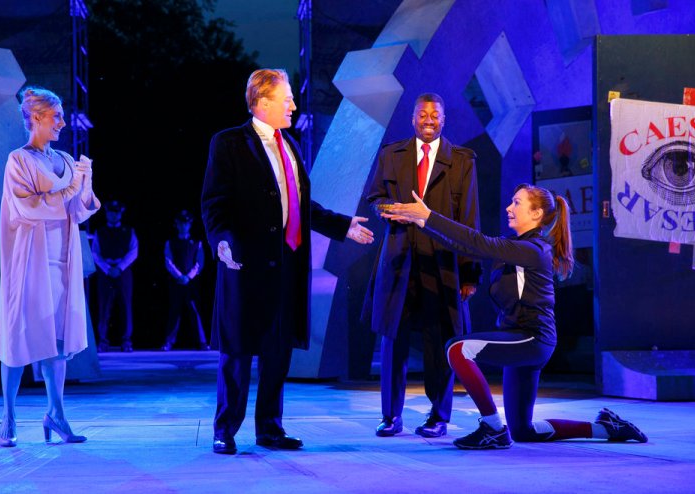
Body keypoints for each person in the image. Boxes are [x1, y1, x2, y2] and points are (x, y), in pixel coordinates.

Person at [382, 184, 647, 449]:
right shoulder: (518, 246)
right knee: (523, 430)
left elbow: (477, 242)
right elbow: (466, 246)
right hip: (522, 339)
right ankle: (606, 428)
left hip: (531, 339)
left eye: (517, 203)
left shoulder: (534, 249)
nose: (509, 207)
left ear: (536, 213)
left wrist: (429, 216)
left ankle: (493, 429)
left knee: (457, 349)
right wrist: (422, 221)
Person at [201, 68, 375, 455]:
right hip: (244, 265)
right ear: (263, 103)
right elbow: (214, 203)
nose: (294, 105)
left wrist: (341, 225)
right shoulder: (229, 143)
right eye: (287, 99)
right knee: (238, 350)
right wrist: (223, 242)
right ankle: (225, 429)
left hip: (286, 265)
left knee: (278, 351)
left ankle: (270, 429)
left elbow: (299, 206)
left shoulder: (291, 145)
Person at [364, 93, 482, 439]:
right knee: (392, 339)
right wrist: (393, 210)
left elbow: (470, 218)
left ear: (444, 119)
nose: (428, 119)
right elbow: (375, 198)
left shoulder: (462, 161)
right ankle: (391, 416)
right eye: (422, 114)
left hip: (442, 262)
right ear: (412, 118)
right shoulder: (391, 154)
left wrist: (470, 273)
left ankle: (438, 415)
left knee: (439, 339)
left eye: (435, 114)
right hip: (399, 259)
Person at [0, 87, 100, 447]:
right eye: (56, 115)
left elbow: (78, 210)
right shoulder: (18, 160)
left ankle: (56, 414)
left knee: (58, 342)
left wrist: (84, 186)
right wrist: (70, 188)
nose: (63, 121)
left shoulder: (66, 159)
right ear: (36, 117)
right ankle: (8, 416)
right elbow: (28, 208)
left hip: (62, 260)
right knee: (18, 333)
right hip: (29, 260)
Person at [92, 200, 138, 352]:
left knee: (126, 306)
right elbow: (95, 253)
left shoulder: (128, 231)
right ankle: (103, 341)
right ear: (107, 213)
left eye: (116, 212)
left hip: (123, 273)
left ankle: (126, 341)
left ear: (120, 213)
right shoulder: (100, 232)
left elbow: (133, 251)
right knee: (104, 308)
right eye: (111, 212)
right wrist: (107, 268)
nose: (113, 214)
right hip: (105, 274)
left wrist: (119, 267)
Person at [161, 209, 208, 351]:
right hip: (177, 282)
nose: (184, 226)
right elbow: (168, 261)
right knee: (174, 312)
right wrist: (179, 276)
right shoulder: (171, 242)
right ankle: (169, 342)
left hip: (191, 283)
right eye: (181, 223)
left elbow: (199, 262)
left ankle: (202, 342)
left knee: (194, 311)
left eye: (186, 223)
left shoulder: (197, 242)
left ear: (190, 225)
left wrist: (189, 276)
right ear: (177, 224)